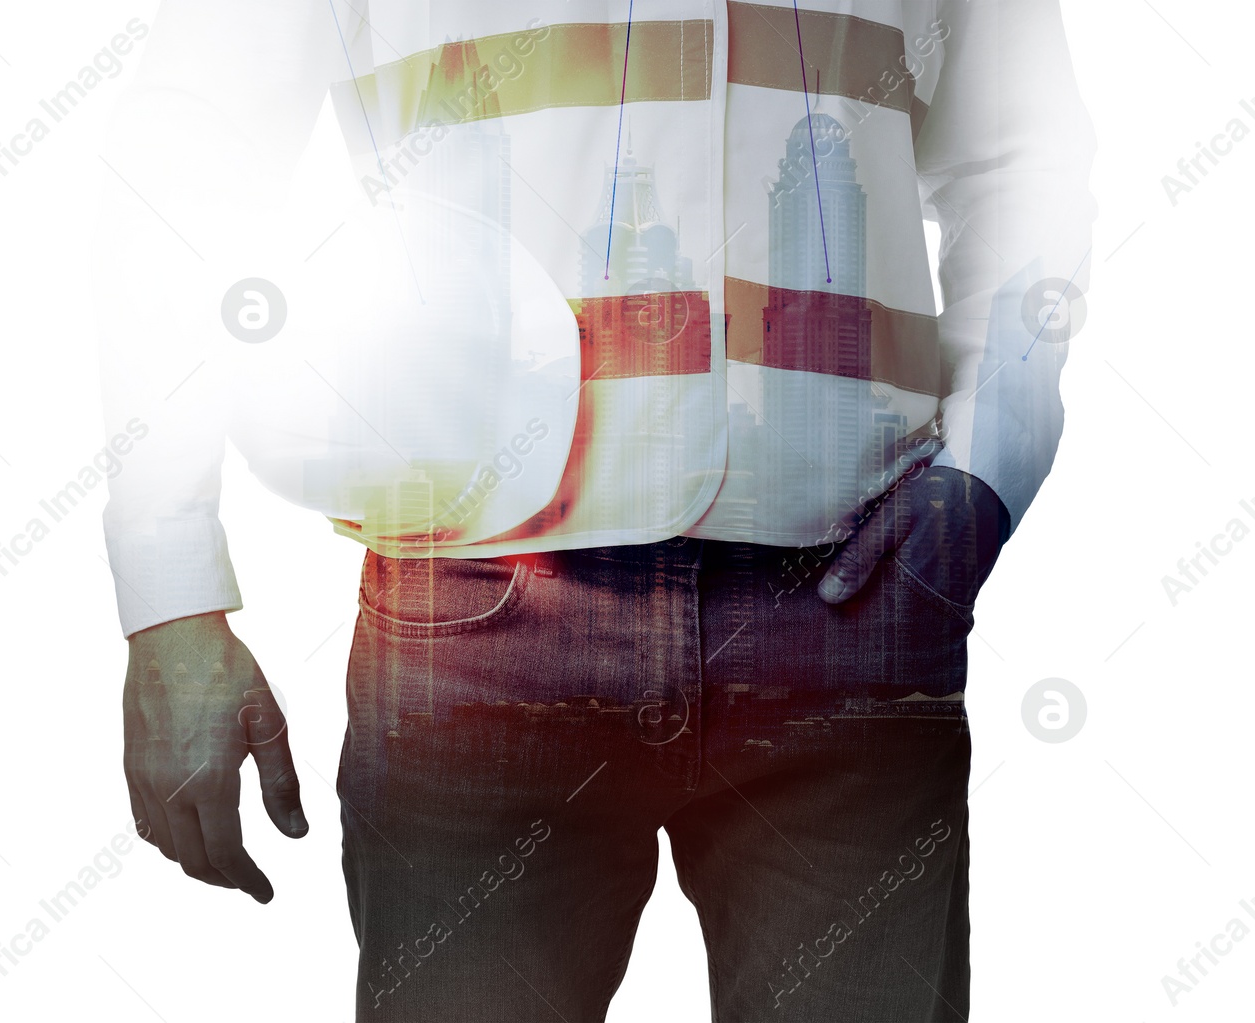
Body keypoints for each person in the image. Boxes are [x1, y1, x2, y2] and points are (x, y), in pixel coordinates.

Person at [94, 2, 1095, 1019]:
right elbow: (190, 150)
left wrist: (984, 465)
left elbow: (1018, 155)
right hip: (472, 613)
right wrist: (169, 590)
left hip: (853, 600)